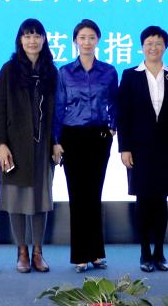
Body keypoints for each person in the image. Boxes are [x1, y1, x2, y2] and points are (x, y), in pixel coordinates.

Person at [117, 25, 168, 273]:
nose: (154, 47)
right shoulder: (130, 75)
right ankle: (144, 252)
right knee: (143, 201)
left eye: (158, 43)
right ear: (142, 47)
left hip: (167, 150)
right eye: (149, 43)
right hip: (139, 150)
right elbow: (124, 115)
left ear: (165, 47)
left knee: (161, 201)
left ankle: (159, 252)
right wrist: (124, 148)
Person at [0, 18, 59, 273]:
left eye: (37, 35)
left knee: (41, 199)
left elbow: (57, 112)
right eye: (27, 35)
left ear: (44, 40)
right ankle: (21, 251)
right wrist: (1, 144)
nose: (32, 41)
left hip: (42, 147)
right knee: (16, 199)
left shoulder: (51, 71)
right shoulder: (9, 70)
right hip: (15, 146)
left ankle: (38, 252)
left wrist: (56, 142)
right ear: (20, 40)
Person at [53, 19, 118, 273]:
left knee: (94, 195)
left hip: (99, 138)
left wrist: (112, 127)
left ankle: (97, 253)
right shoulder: (65, 72)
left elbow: (115, 103)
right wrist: (56, 141)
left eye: (91, 37)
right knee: (77, 196)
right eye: (82, 38)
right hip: (73, 137)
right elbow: (59, 107)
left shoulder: (109, 71)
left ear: (98, 40)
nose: (87, 42)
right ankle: (80, 254)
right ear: (75, 41)